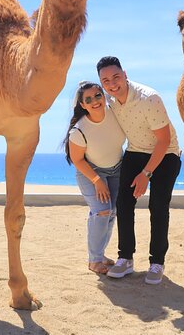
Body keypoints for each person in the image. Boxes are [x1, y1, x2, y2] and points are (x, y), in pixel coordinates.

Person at [97, 56, 181, 285]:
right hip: (136, 151)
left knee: (158, 205)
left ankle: (157, 262)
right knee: (123, 203)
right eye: (106, 81)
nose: (112, 84)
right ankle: (125, 258)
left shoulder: (149, 98)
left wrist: (146, 174)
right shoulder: (109, 101)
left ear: (125, 75)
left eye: (116, 77)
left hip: (166, 153)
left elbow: (163, 141)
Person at [64, 81, 126, 274]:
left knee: (113, 211)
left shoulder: (116, 113)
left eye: (97, 95)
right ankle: (94, 261)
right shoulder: (79, 130)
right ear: (83, 105)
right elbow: (77, 159)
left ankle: (99, 253)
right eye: (88, 99)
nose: (94, 101)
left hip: (117, 168)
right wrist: (97, 181)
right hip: (91, 171)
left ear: (104, 95)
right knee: (101, 211)